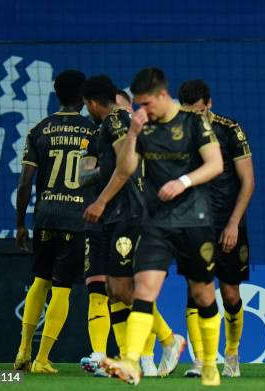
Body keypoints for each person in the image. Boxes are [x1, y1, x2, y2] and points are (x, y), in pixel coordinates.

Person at [87, 67, 224, 386]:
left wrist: (184, 181)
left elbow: (215, 164)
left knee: (203, 294)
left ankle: (209, 366)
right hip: (154, 222)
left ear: (163, 96)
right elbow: (126, 169)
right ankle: (132, 362)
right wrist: (133, 133)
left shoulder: (194, 123)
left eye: (145, 104)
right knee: (144, 290)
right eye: (137, 105)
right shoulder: (142, 127)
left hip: (193, 220)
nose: (140, 110)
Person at [79, 75, 184, 378]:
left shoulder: (114, 120)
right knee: (116, 289)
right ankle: (130, 359)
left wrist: (100, 201)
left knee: (125, 289)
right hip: (124, 213)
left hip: (128, 213)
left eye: (88, 106)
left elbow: (127, 167)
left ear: (93, 103)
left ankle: (168, 339)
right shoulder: (122, 121)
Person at [13, 70, 95, 373]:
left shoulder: (39, 129)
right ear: (83, 98)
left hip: (45, 216)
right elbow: (89, 178)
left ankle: (23, 350)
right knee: (62, 289)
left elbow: (25, 182)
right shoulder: (92, 132)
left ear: (57, 93)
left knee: (39, 281)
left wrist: (21, 224)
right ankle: (42, 358)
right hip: (76, 220)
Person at [178, 79, 254, 378]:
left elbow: (248, 180)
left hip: (227, 223)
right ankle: (201, 361)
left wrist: (234, 223)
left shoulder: (230, 129)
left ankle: (232, 355)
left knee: (230, 293)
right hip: (193, 224)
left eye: (197, 112)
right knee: (195, 291)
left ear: (208, 104)